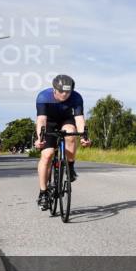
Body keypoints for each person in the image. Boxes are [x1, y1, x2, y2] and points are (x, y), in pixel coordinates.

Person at [33, 74, 92, 209]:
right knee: (47, 155)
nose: (65, 94)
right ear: (54, 89)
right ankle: (43, 192)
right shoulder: (44, 97)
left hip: (66, 121)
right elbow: (41, 119)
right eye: (61, 91)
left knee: (71, 134)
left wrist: (84, 136)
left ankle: (70, 167)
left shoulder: (76, 97)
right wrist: (39, 138)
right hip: (49, 123)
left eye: (68, 92)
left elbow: (79, 119)